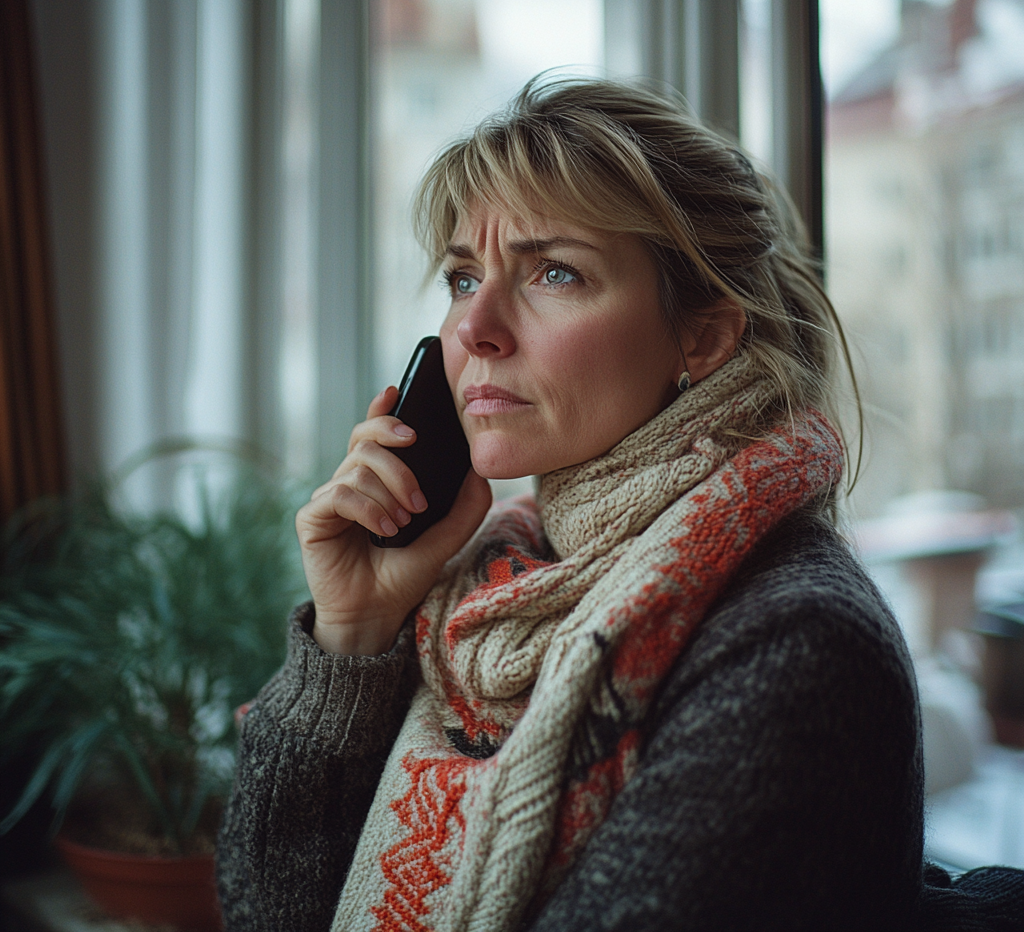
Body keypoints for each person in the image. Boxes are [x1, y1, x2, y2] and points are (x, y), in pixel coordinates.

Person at [217, 78, 924, 931]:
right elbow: (263, 914)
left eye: (555, 272)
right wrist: (352, 634)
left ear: (700, 335)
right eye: (461, 275)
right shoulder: (491, 588)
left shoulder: (793, 644)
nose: (475, 327)